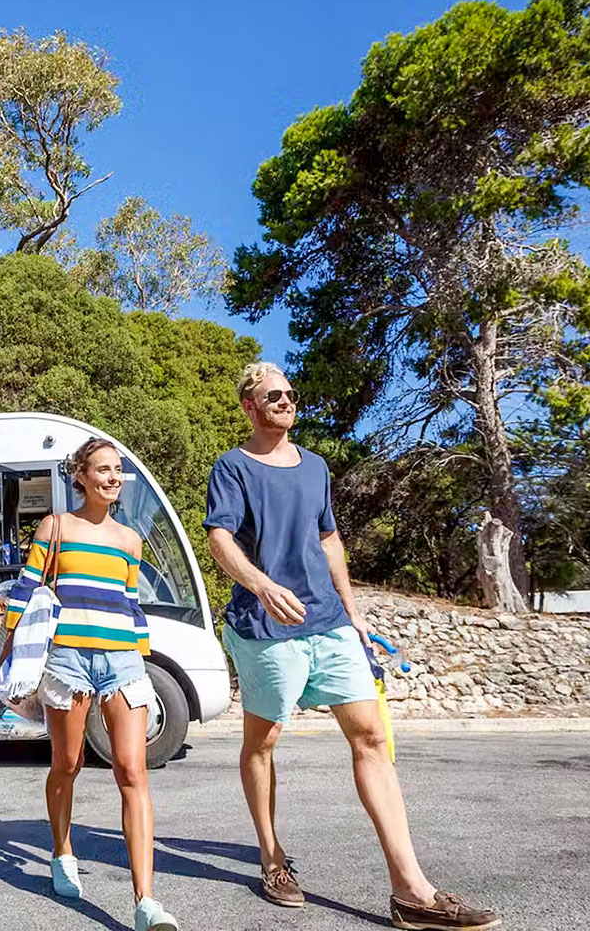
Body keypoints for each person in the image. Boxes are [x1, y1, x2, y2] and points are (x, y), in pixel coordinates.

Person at [204, 362, 500, 931]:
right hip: (266, 625)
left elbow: (329, 538)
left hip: (329, 620)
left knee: (371, 737)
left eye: (291, 393)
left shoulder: (315, 466)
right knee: (263, 743)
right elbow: (220, 537)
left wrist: (354, 612)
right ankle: (272, 858)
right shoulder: (233, 466)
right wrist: (261, 585)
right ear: (249, 405)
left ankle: (411, 889)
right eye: (273, 395)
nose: (286, 401)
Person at [2, 437, 179, 931]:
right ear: (80, 476)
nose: (113, 477)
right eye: (102, 469)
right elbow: (27, 589)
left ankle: (146, 903)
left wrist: (141, 657)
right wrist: (9, 655)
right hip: (69, 660)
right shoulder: (56, 526)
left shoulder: (130, 540)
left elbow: (131, 603)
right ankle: (62, 851)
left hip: (123, 661)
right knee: (68, 763)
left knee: (132, 771)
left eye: (117, 469)